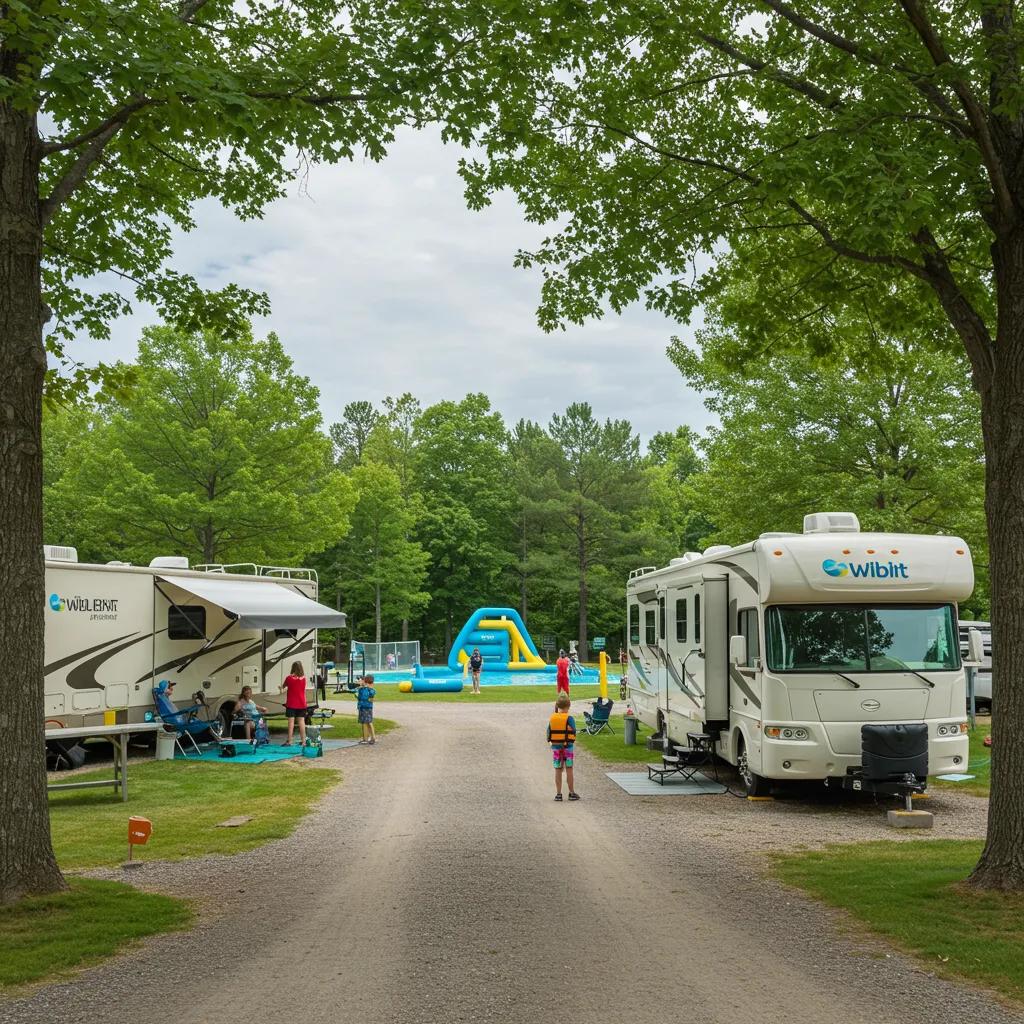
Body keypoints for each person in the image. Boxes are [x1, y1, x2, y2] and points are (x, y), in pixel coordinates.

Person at [547, 693, 579, 801]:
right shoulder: (569, 718)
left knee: (558, 769)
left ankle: (558, 794)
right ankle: (571, 793)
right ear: (568, 706)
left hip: (556, 747)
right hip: (568, 747)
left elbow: (548, 733)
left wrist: (551, 743)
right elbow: (573, 731)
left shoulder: (552, 718)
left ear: (557, 705)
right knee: (569, 769)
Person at [280, 660, 309, 746]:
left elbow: (283, 687)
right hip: (302, 703)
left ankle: (289, 741)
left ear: (293, 668)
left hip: (291, 703)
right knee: (301, 722)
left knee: (291, 722)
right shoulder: (304, 679)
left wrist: (280, 688)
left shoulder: (289, 678)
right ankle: (303, 741)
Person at [357, 674, 377, 744]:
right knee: (364, 723)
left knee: (369, 722)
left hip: (367, 707)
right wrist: (360, 688)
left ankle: (373, 738)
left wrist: (368, 688)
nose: (359, 682)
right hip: (362, 707)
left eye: (361, 680)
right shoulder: (362, 689)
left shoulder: (370, 689)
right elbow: (359, 697)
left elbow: (372, 695)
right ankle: (365, 739)